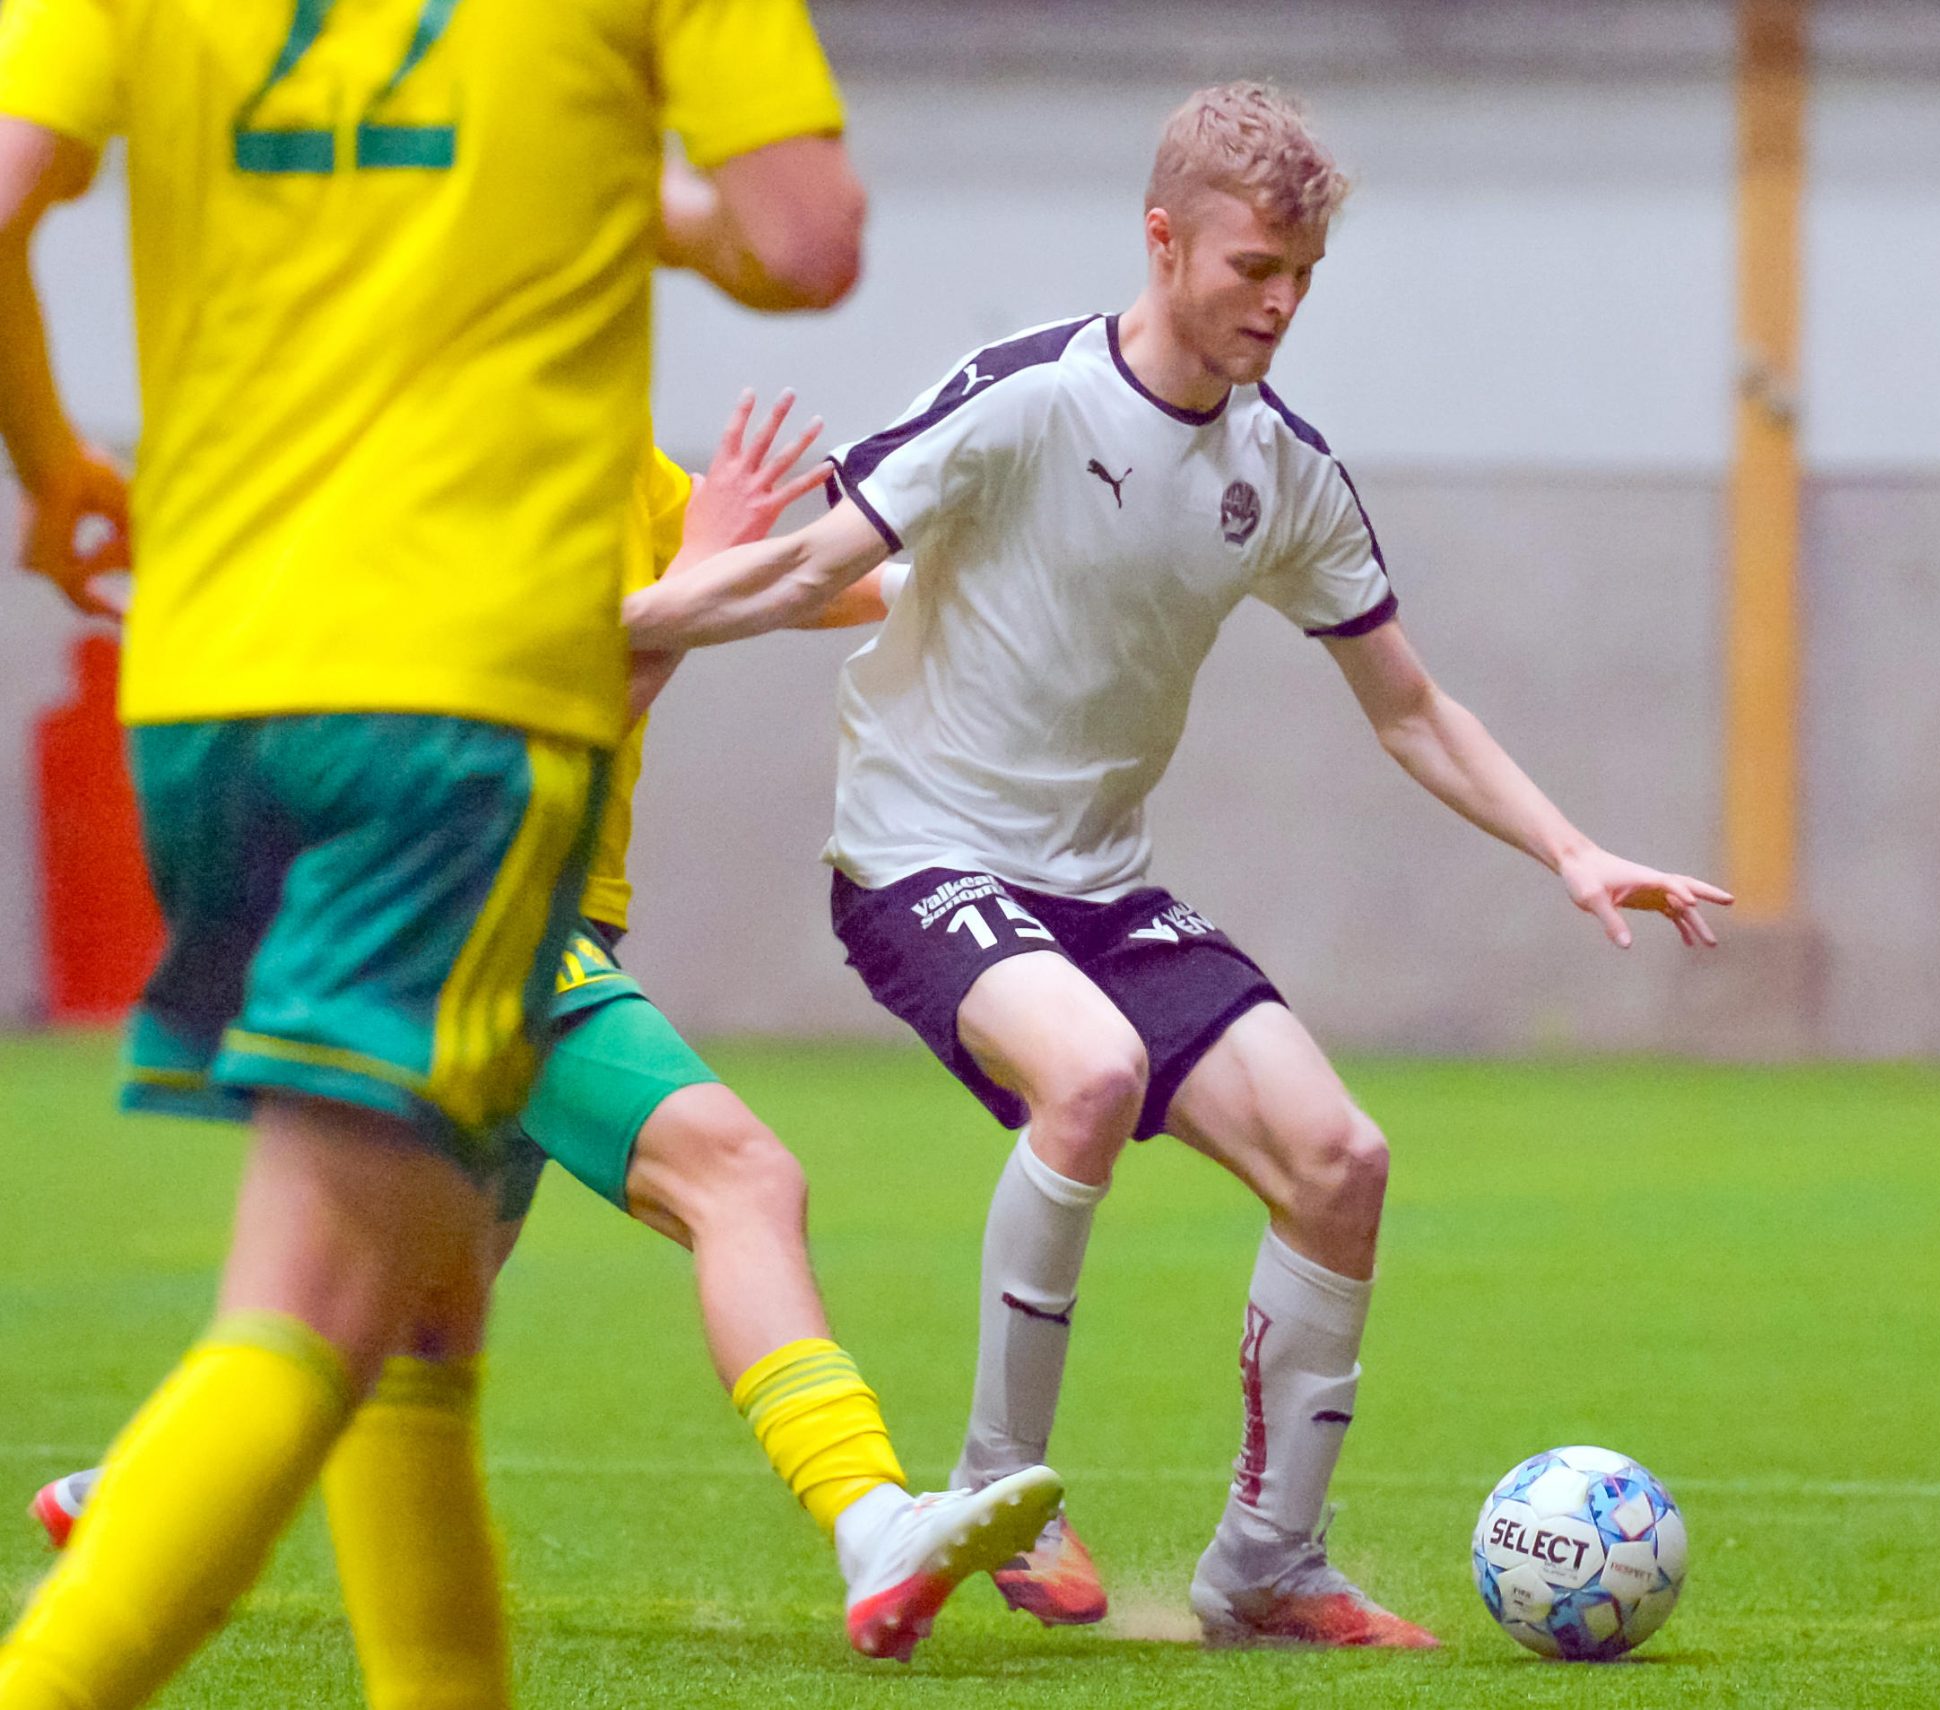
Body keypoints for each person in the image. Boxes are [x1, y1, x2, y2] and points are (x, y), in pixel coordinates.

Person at [624, 80, 1731, 1649]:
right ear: (1162, 240)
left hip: (1101, 886)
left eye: (1302, 277)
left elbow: (1410, 706)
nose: (1278, 304)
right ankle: (1000, 1484)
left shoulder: (1283, 473)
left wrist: (1571, 847)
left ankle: (1269, 1564)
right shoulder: (1023, 400)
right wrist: (604, 631)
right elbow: (810, 564)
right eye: (1251, 269)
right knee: (1092, 1071)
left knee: (1341, 1159)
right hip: (921, 855)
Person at [0, 1, 866, 1701]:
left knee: (418, 1311)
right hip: (447, 703)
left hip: (209, 686)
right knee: (324, 1301)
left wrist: (46, 459)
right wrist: (649, 203)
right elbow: (803, 241)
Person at [23, 396, 1060, 1664]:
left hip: (542, 914)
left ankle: (134, 1500)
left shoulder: (615, 451)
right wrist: (693, 581)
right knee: (740, 1175)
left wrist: (976, 581)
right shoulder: (437, 467)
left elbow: (791, 578)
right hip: (467, 907)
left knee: (382, 1306)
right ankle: (870, 1518)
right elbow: (557, 717)